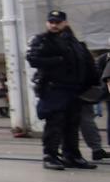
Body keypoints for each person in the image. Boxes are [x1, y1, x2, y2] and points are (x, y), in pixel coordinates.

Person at [25, 9, 99, 171]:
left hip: (74, 90)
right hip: (54, 89)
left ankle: (72, 155)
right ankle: (50, 155)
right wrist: (57, 60)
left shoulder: (74, 43)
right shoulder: (42, 40)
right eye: (51, 22)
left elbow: (87, 63)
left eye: (57, 22)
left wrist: (92, 82)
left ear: (65, 23)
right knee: (55, 123)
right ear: (47, 23)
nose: (54, 25)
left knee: (72, 123)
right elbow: (33, 59)